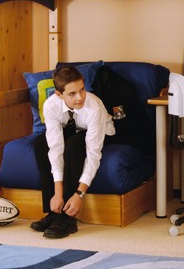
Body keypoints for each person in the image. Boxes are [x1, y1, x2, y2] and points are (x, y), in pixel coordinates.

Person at [31, 65, 115, 239]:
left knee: (74, 145)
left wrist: (79, 194)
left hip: (101, 131)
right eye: (72, 94)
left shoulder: (94, 108)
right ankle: (54, 211)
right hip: (73, 128)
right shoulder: (51, 106)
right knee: (41, 143)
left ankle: (68, 218)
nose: (80, 97)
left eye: (82, 90)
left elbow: (93, 154)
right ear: (59, 94)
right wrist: (57, 193)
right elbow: (55, 147)